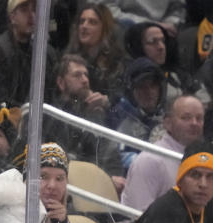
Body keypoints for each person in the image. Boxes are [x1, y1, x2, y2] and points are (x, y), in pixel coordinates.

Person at [112, 140, 213, 223]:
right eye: (195, 175)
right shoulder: (167, 210)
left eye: (210, 176)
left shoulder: (208, 205)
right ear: (180, 180)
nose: (203, 184)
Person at [42, 54, 126, 193]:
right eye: (77, 75)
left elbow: (109, 152)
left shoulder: (94, 112)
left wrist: (104, 109)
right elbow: (69, 160)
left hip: (101, 189)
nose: (85, 80)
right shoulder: (54, 117)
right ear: (61, 83)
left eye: (86, 75)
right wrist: (105, 180)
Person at [122, 94, 205, 211]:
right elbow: (138, 218)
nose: (194, 123)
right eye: (186, 118)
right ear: (168, 123)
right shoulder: (150, 160)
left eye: (199, 118)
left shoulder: (202, 158)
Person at [0, 0, 51, 109]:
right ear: (12, 17)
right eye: (24, 10)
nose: (31, 15)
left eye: (34, 10)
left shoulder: (43, 52)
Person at [107, 57, 167, 168]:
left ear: (161, 88)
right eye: (141, 87)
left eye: (153, 85)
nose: (149, 92)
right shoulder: (122, 122)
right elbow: (112, 161)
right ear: (131, 92)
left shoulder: (172, 119)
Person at [65, 3, 127, 101]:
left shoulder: (117, 63)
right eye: (81, 21)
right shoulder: (69, 59)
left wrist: (108, 101)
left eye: (92, 22)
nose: (84, 26)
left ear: (104, 29)